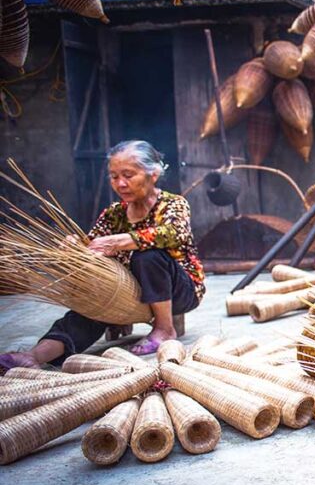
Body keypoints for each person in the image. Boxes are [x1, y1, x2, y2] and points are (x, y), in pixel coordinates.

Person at [0, 140, 204, 369]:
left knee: (148, 255)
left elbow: (173, 233)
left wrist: (117, 242)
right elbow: (93, 243)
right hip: (130, 293)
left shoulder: (173, 204)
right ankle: (34, 356)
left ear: (153, 174)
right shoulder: (114, 213)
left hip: (179, 292)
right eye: (114, 176)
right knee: (87, 312)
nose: (120, 183)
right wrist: (76, 246)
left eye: (128, 175)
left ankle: (164, 329)